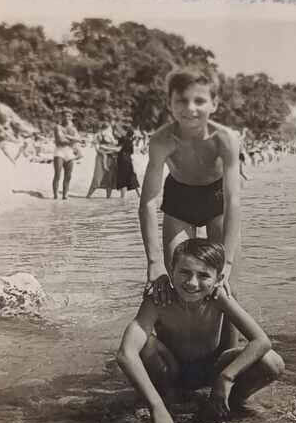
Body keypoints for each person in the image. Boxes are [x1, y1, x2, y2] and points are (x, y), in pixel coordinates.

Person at [116, 239, 284, 423]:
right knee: (146, 345)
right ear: (171, 270)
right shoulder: (158, 300)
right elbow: (126, 353)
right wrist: (156, 407)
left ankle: (228, 402)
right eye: (185, 272)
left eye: (203, 275)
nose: (192, 283)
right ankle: (169, 402)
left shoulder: (219, 297)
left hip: (211, 372)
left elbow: (261, 341)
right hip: (172, 375)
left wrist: (226, 377)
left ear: (219, 278)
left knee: (272, 362)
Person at [138, 66, 241, 305]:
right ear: (170, 103)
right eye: (182, 100)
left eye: (199, 100)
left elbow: (233, 199)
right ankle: (178, 338)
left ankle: (230, 342)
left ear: (214, 104)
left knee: (227, 287)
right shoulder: (161, 140)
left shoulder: (225, 139)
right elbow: (148, 202)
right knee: (174, 281)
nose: (190, 108)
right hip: (179, 198)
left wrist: (228, 261)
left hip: (217, 200)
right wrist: (153, 263)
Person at [52, 109, 80, 200]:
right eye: (65, 116)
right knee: (58, 174)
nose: (67, 118)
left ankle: (65, 194)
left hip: (69, 152)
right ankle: (56, 195)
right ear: (62, 117)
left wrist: (68, 137)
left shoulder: (73, 128)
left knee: (68, 175)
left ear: (71, 117)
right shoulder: (58, 127)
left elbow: (79, 139)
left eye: (69, 116)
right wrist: (73, 140)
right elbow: (60, 140)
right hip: (59, 151)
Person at [86, 125, 119, 198]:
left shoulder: (112, 135)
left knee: (109, 179)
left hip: (111, 158)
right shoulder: (98, 135)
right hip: (101, 157)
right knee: (98, 177)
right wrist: (108, 151)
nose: (109, 130)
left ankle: (108, 198)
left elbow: (117, 146)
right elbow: (97, 149)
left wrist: (107, 149)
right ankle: (88, 196)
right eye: (108, 128)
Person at [115, 127, 140, 200]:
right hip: (128, 159)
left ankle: (122, 197)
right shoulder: (130, 141)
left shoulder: (123, 139)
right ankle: (139, 195)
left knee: (123, 177)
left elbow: (118, 149)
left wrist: (105, 149)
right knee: (131, 175)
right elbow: (131, 152)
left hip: (122, 159)